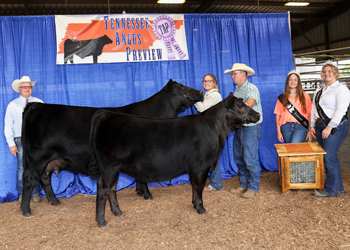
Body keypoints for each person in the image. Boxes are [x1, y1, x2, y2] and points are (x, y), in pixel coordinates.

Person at [309, 61, 350, 198]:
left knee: (328, 157)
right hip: (320, 126)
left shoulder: (341, 89)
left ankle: (331, 190)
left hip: (336, 126)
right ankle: (338, 187)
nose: (326, 73)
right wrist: (312, 126)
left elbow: (341, 110)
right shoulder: (319, 90)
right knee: (331, 157)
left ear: (335, 73)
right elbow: (314, 109)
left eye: (329, 71)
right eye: (324, 71)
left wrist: (329, 127)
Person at [224, 63, 263, 198]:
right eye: (232, 74)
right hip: (239, 128)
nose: (232, 76)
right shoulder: (237, 90)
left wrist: (239, 109)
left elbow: (251, 102)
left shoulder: (251, 88)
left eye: (234, 74)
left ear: (243, 74)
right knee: (239, 157)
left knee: (250, 158)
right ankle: (243, 184)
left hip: (251, 128)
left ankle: (253, 187)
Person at [4, 76, 43, 204]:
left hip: (36, 140)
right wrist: (11, 143)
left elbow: (44, 124)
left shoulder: (39, 103)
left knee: (35, 165)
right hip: (20, 139)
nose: (27, 89)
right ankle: (22, 194)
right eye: (24, 87)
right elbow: (8, 125)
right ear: (19, 89)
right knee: (22, 167)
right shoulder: (13, 105)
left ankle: (36, 192)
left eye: (29, 87)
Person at [194, 74, 223, 191]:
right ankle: (214, 182)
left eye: (209, 81)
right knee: (210, 156)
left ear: (214, 82)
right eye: (204, 81)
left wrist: (194, 99)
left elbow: (202, 108)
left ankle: (216, 184)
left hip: (213, 130)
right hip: (209, 129)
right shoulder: (208, 94)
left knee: (212, 156)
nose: (206, 83)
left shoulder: (215, 95)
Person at [274, 70, 312, 143]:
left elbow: (309, 114)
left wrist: (309, 130)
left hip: (300, 126)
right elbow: (278, 116)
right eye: (290, 79)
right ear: (287, 81)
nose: (292, 81)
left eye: (295, 80)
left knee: (294, 145)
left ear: (298, 82)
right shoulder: (282, 97)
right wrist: (278, 132)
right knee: (291, 150)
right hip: (285, 127)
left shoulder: (305, 96)